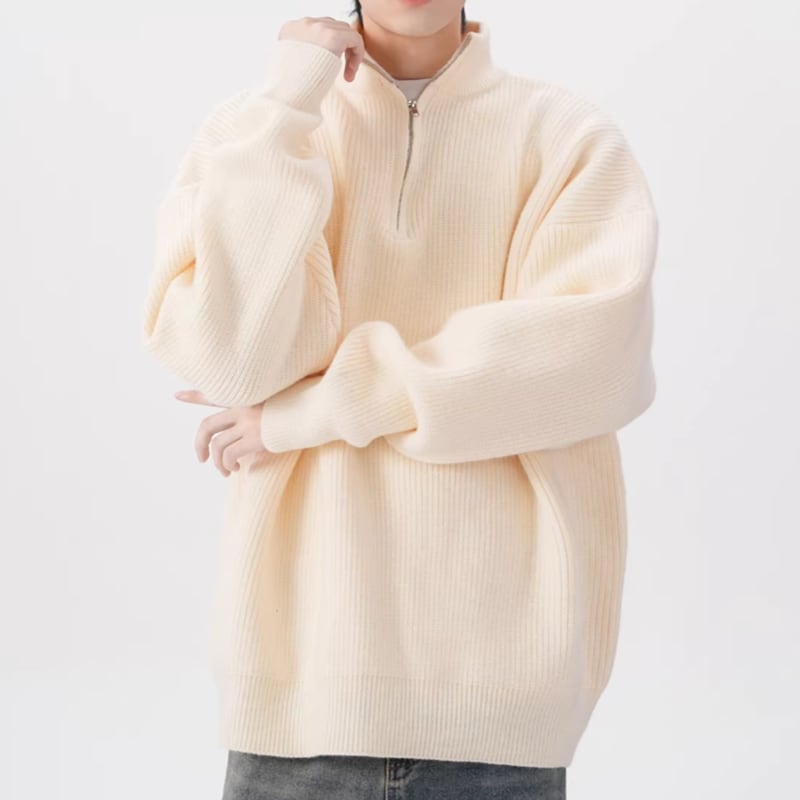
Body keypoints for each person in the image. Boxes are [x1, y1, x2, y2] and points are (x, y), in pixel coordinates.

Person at [141, 1, 659, 797]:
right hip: (299, 693)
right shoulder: (259, 131)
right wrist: (289, 102)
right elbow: (235, 360)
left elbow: (582, 363)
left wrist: (305, 415)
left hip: (501, 703)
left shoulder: (568, 138)